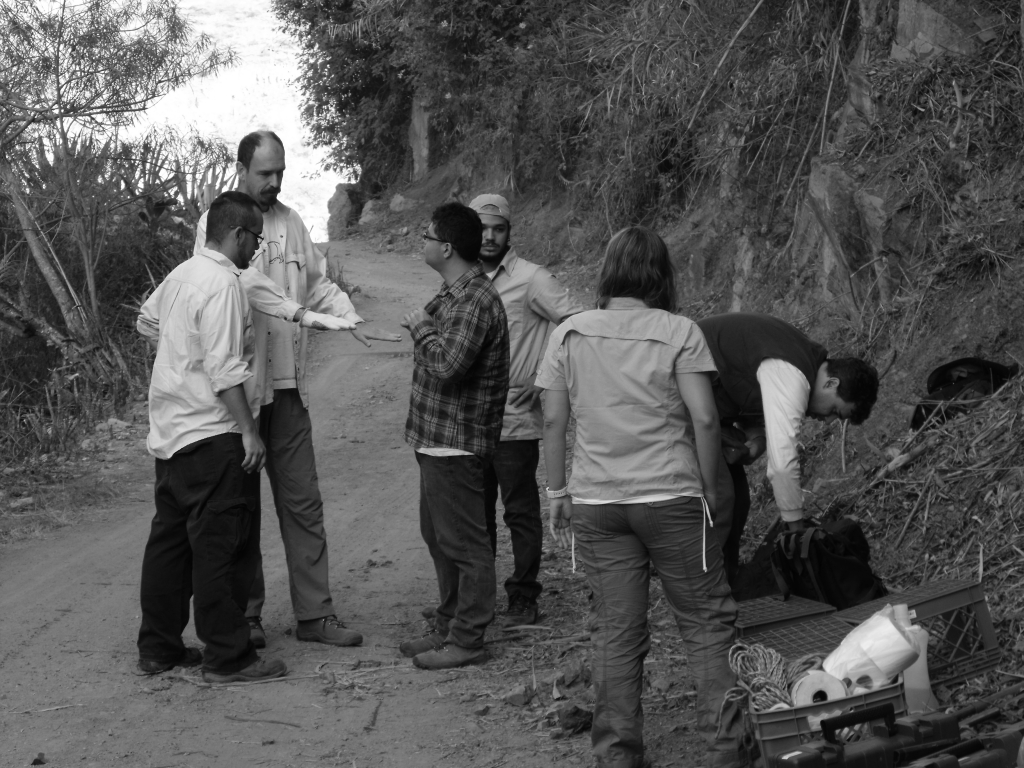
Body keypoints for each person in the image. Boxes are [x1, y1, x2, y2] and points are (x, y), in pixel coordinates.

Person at [538, 227, 744, 768]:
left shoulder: (569, 334)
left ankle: (617, 755)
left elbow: (555, 418)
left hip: (598, 504)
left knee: (616, 632)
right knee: (705, 625)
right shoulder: (680, 331)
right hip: (672, 496)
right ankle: (728, 753)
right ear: (660, 275)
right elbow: (704, 417)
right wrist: (709, 489)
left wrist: (557, 490)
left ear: (609, 272)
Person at [194, 130, 401, 649]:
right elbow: (228, 290)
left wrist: (351, 319)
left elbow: (317, 284)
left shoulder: (291, 224)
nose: (274, 182)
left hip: (287, 390)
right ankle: (247, 617)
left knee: (303, 502)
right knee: (241, 507)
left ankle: (315, 615)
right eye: (265, 173)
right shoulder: (216, 224)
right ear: (242, 170)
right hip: (242, 391)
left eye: (280, 172)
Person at [136, 191, 288, 683]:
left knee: (171, 545)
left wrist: (181, 352)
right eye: (256, 241)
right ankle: (229, 656)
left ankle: (159, 648)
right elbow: (225, 371)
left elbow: (147, 320)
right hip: (212, 433)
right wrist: (249, 431)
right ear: (239, 234)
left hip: (170, 432)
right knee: (223, 546)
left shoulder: (182, 274)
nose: (256, 251)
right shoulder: (224, 284)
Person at [399, 202, 510, 670]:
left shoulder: (476, 301)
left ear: (445, 247)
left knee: (466, 544)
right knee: (439, 537)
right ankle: (449, 623)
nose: (421, 241)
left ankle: (467, 638)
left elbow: (446, 365)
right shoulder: (451, 294)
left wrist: (421, 329)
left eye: (426, 235)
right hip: (435, 440)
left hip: (457, 443)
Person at [465, 193, 581, 627]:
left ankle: (523, 597)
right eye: (482, 228)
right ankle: (478, 601)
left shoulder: (533, 279)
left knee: (519, 512)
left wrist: (545, 378)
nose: (490, 237)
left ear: (509, 231)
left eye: (498, 229)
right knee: (475, 515)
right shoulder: (464, 278)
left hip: (515, 420)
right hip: (470, 421)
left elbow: (577, 322)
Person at [695, 312, 879, 583]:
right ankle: (704, 593)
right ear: (831, 383)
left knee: (738, 499)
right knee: (721, 499)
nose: (827, 421)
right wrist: (797, 532)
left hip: (708, 405)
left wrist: (756, 439)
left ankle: (728, 587)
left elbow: (753, 393)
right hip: (678, 397)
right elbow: (782, 466)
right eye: (835, 412)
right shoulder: (792, 372)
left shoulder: (797, 362)